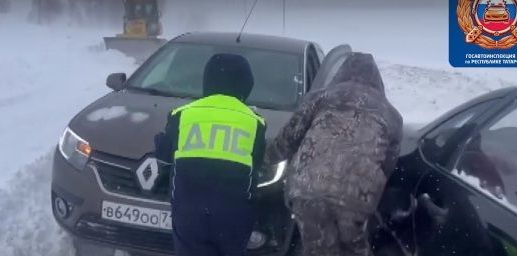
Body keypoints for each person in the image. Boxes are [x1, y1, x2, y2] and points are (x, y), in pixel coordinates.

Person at [264, 52, 403, 256]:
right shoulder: (391, 115)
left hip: (307, 188)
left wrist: (266, 158)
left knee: (318, 249)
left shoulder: (321, 97)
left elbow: (289, 137)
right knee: (354, 248)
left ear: (342, 72)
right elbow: (387, 164)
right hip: (356, 197)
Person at [154, 53, 266, 256]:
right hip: (234, 215)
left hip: (189, 212)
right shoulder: (255, 122)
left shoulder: (181, 114)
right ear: (245, 86)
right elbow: (257, 164)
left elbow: (165, 156)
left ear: (207, 81)